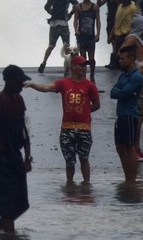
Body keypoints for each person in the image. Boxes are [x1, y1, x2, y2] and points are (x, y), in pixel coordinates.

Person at [24, 55, 100, 185]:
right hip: (67, 128)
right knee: (69, 160)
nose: (83, 68)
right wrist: (32, 84)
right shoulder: (64, 83)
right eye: (80, 65)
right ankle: (69, 183)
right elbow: (47, 88)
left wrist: (84, 111)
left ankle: (86, 184)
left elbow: (97, 105)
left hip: (84, 128)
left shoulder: (90, 85)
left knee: (84, 158)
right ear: (72, 67)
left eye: (84, 65)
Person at [0, 65, 33, 234]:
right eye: (19, 82)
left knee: (22, 204)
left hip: (15, 157)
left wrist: (28, 158)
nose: (21, 86)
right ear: (9, 81)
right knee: (6, 207)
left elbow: (25, 130)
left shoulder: (19, 100)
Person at [110, 41, 143, 186]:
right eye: (120, 58)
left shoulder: (136, 76)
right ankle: (127, 177)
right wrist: (119, 92)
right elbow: (113, 92)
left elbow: (123, 93)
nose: (120, 61)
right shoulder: (123, 76)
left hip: (130, 115)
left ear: (131, 59)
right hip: (121, 115)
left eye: (123, 59)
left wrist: (119, 92)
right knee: (119, 146)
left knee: (129, 146)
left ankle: (132, 179)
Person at [125, 15, 143, 162]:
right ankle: (133, 150)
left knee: (141, 117)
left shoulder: (140, 40)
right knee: (138, 118)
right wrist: (133, 68)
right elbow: (122, 52)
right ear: (141, 27)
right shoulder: (133, 38)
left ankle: (137, 149)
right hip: (140, 82)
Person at [39, 0, 78, 74]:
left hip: (53, 24)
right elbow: (77, 5)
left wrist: (52, 13)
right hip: (64, 24)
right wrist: (70, 14)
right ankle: (69, 66)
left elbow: (46, 7)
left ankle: (44, 62)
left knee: (51, 45)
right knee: (66, 46)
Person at [72, 0, 101, 78]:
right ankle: (83, 76)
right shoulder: (78, 7)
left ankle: (92, 75)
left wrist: (98, 34)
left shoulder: (95, 7)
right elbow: (75, 20)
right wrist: (76, 30)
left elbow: (98, 21)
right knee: (83, 58)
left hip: (91, 36)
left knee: (91, 59)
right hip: (81, 36)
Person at [110, 0, 136, 66]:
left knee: (124, 62)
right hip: (117, 36)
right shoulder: (120, 6)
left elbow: (134, 24)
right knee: (118, 64)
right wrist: (111, 34)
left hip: (125, 36)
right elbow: (117, 21)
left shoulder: (132, 8)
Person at [101, 0, 119, 68]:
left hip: (118, 20)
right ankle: (114, 61)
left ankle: (115, 62)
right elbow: (99, 4)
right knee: (112, 41)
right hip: (110, 20)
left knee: (116, 41)